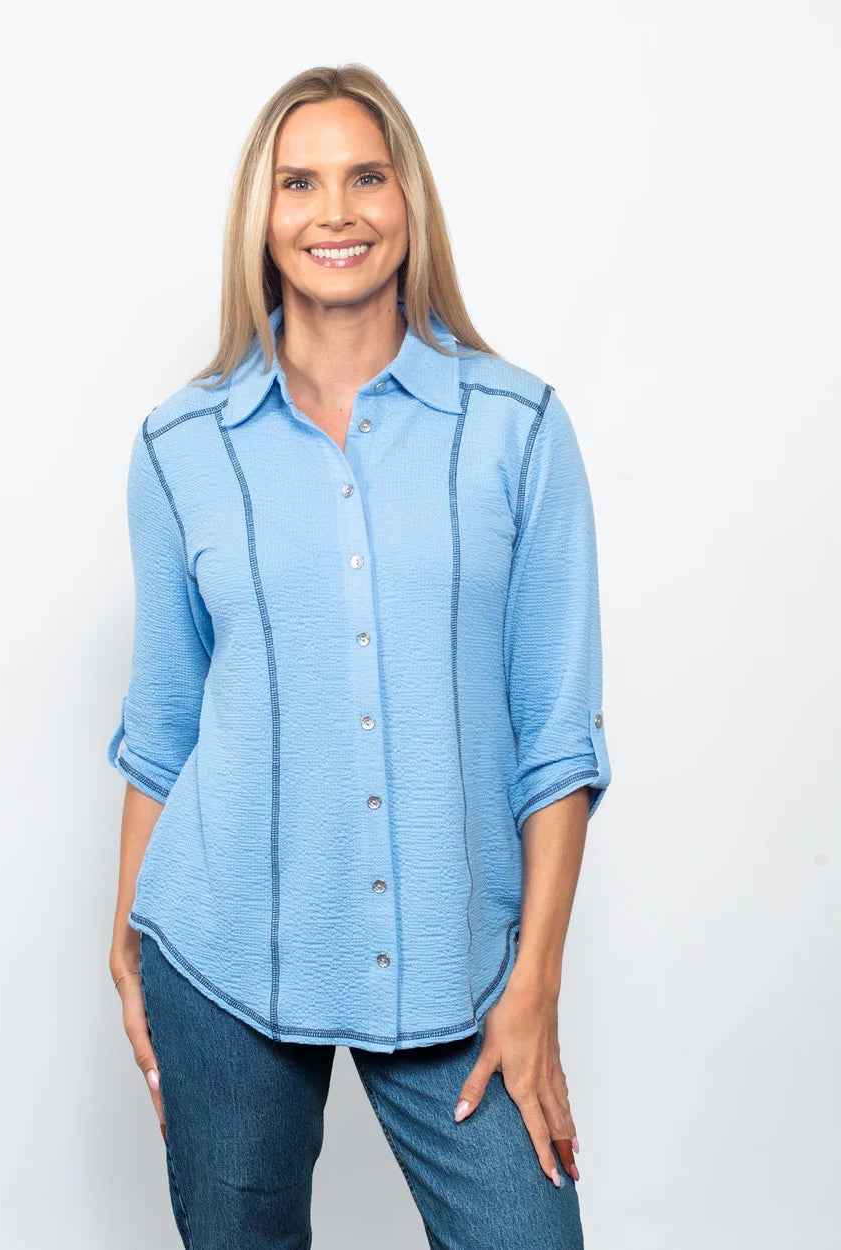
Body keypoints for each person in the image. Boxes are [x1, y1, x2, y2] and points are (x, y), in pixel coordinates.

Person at [106, 62, 612, 1250]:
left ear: (407, 201)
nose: (333, 211)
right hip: (219, 956)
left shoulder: (517, 429)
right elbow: (164, 720)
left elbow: (556, 736)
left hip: (459, 962)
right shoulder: (180, 447)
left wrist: (535, 983)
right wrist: (123, 935)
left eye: (365, 177)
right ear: (261, 214)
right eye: (299, 182)